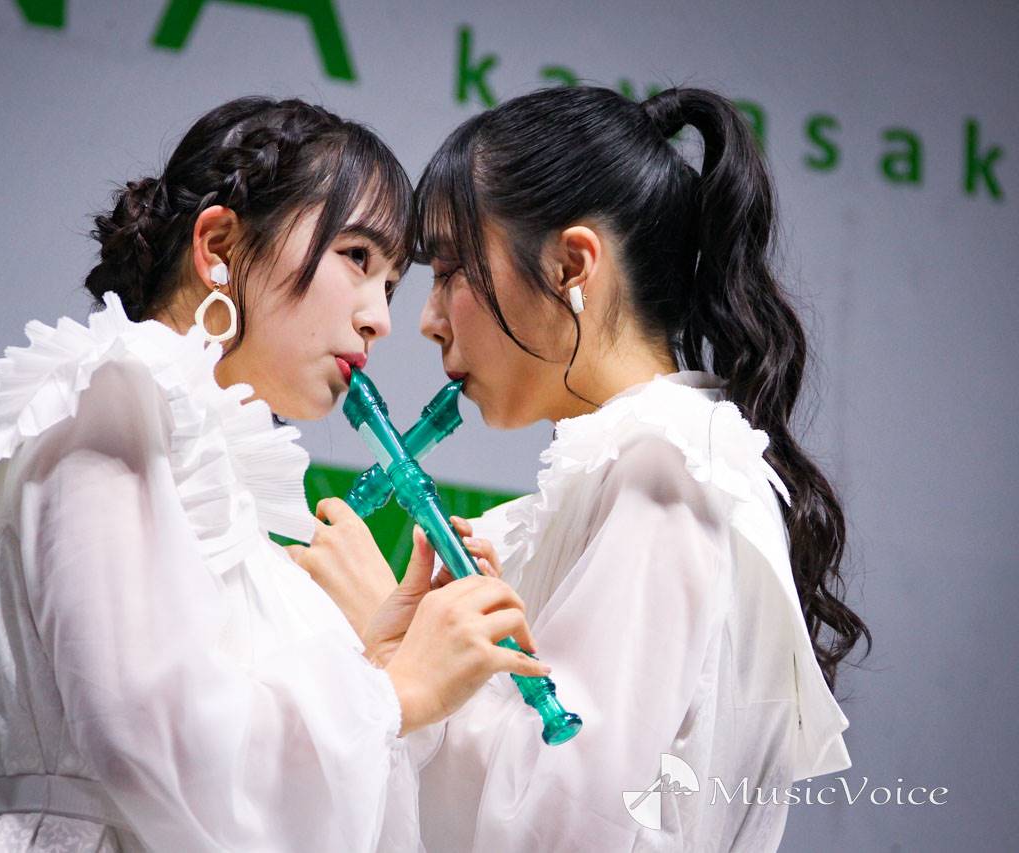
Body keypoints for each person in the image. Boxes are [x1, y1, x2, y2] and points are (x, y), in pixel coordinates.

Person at [0, 96, 547, 852]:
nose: (379, 317)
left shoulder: (207, 462)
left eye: (391, 284)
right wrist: (393, 696)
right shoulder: (114, 395)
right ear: (218, 246)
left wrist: (380, 661)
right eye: (356, 257)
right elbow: (147, 732)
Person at [315, 85, 871, 851]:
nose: (427, 319)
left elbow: (573, 825)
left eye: (449, 270)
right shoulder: (645, 466)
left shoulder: (666, 469)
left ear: (572, 264)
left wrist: (398, 654)